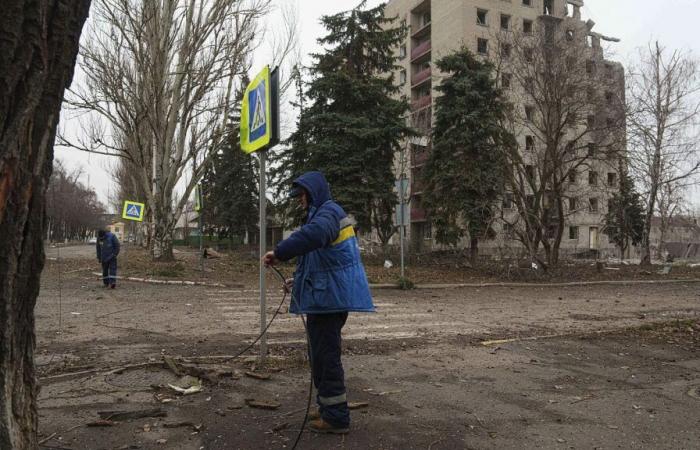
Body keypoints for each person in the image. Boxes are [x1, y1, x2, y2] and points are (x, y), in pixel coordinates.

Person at [263, 171, 374, 435]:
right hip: (324, 298)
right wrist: (295, 281)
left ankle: (336, 418)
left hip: (330, 301)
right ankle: (327, 407)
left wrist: (279, 252)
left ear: (313, 193)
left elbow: (314, 236)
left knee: (326, 357)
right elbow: (320, 261)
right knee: (319, 356)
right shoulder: (321, 214)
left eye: (301, 195)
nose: (299, 201)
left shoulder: (328, 213)